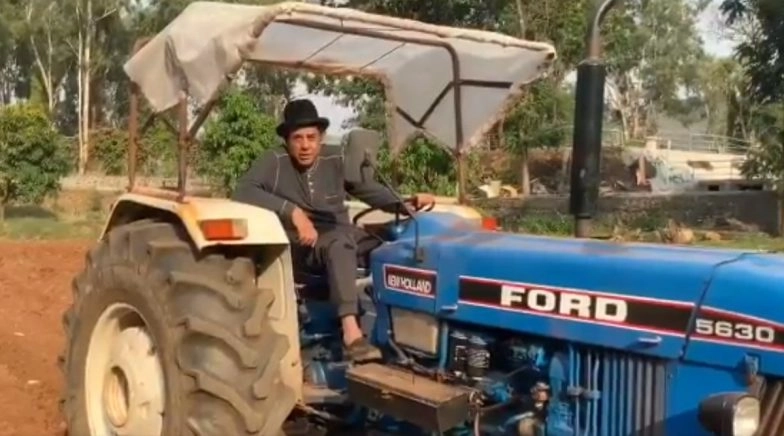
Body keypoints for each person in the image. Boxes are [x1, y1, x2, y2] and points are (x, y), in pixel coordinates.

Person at [232, 99, 435, 362]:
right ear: (287, 140)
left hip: (340, 233)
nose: (305, 145)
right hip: (302, 243)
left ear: (321, 137)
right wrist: (293, 212)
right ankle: (352, 334)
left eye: (311, 137)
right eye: (297, 138)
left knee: (395, 246)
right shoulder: (275, 161)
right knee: (340, 245)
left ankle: (406, 329)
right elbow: (243, 190)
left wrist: (405, 203)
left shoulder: (334, 159)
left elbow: (366, 189)